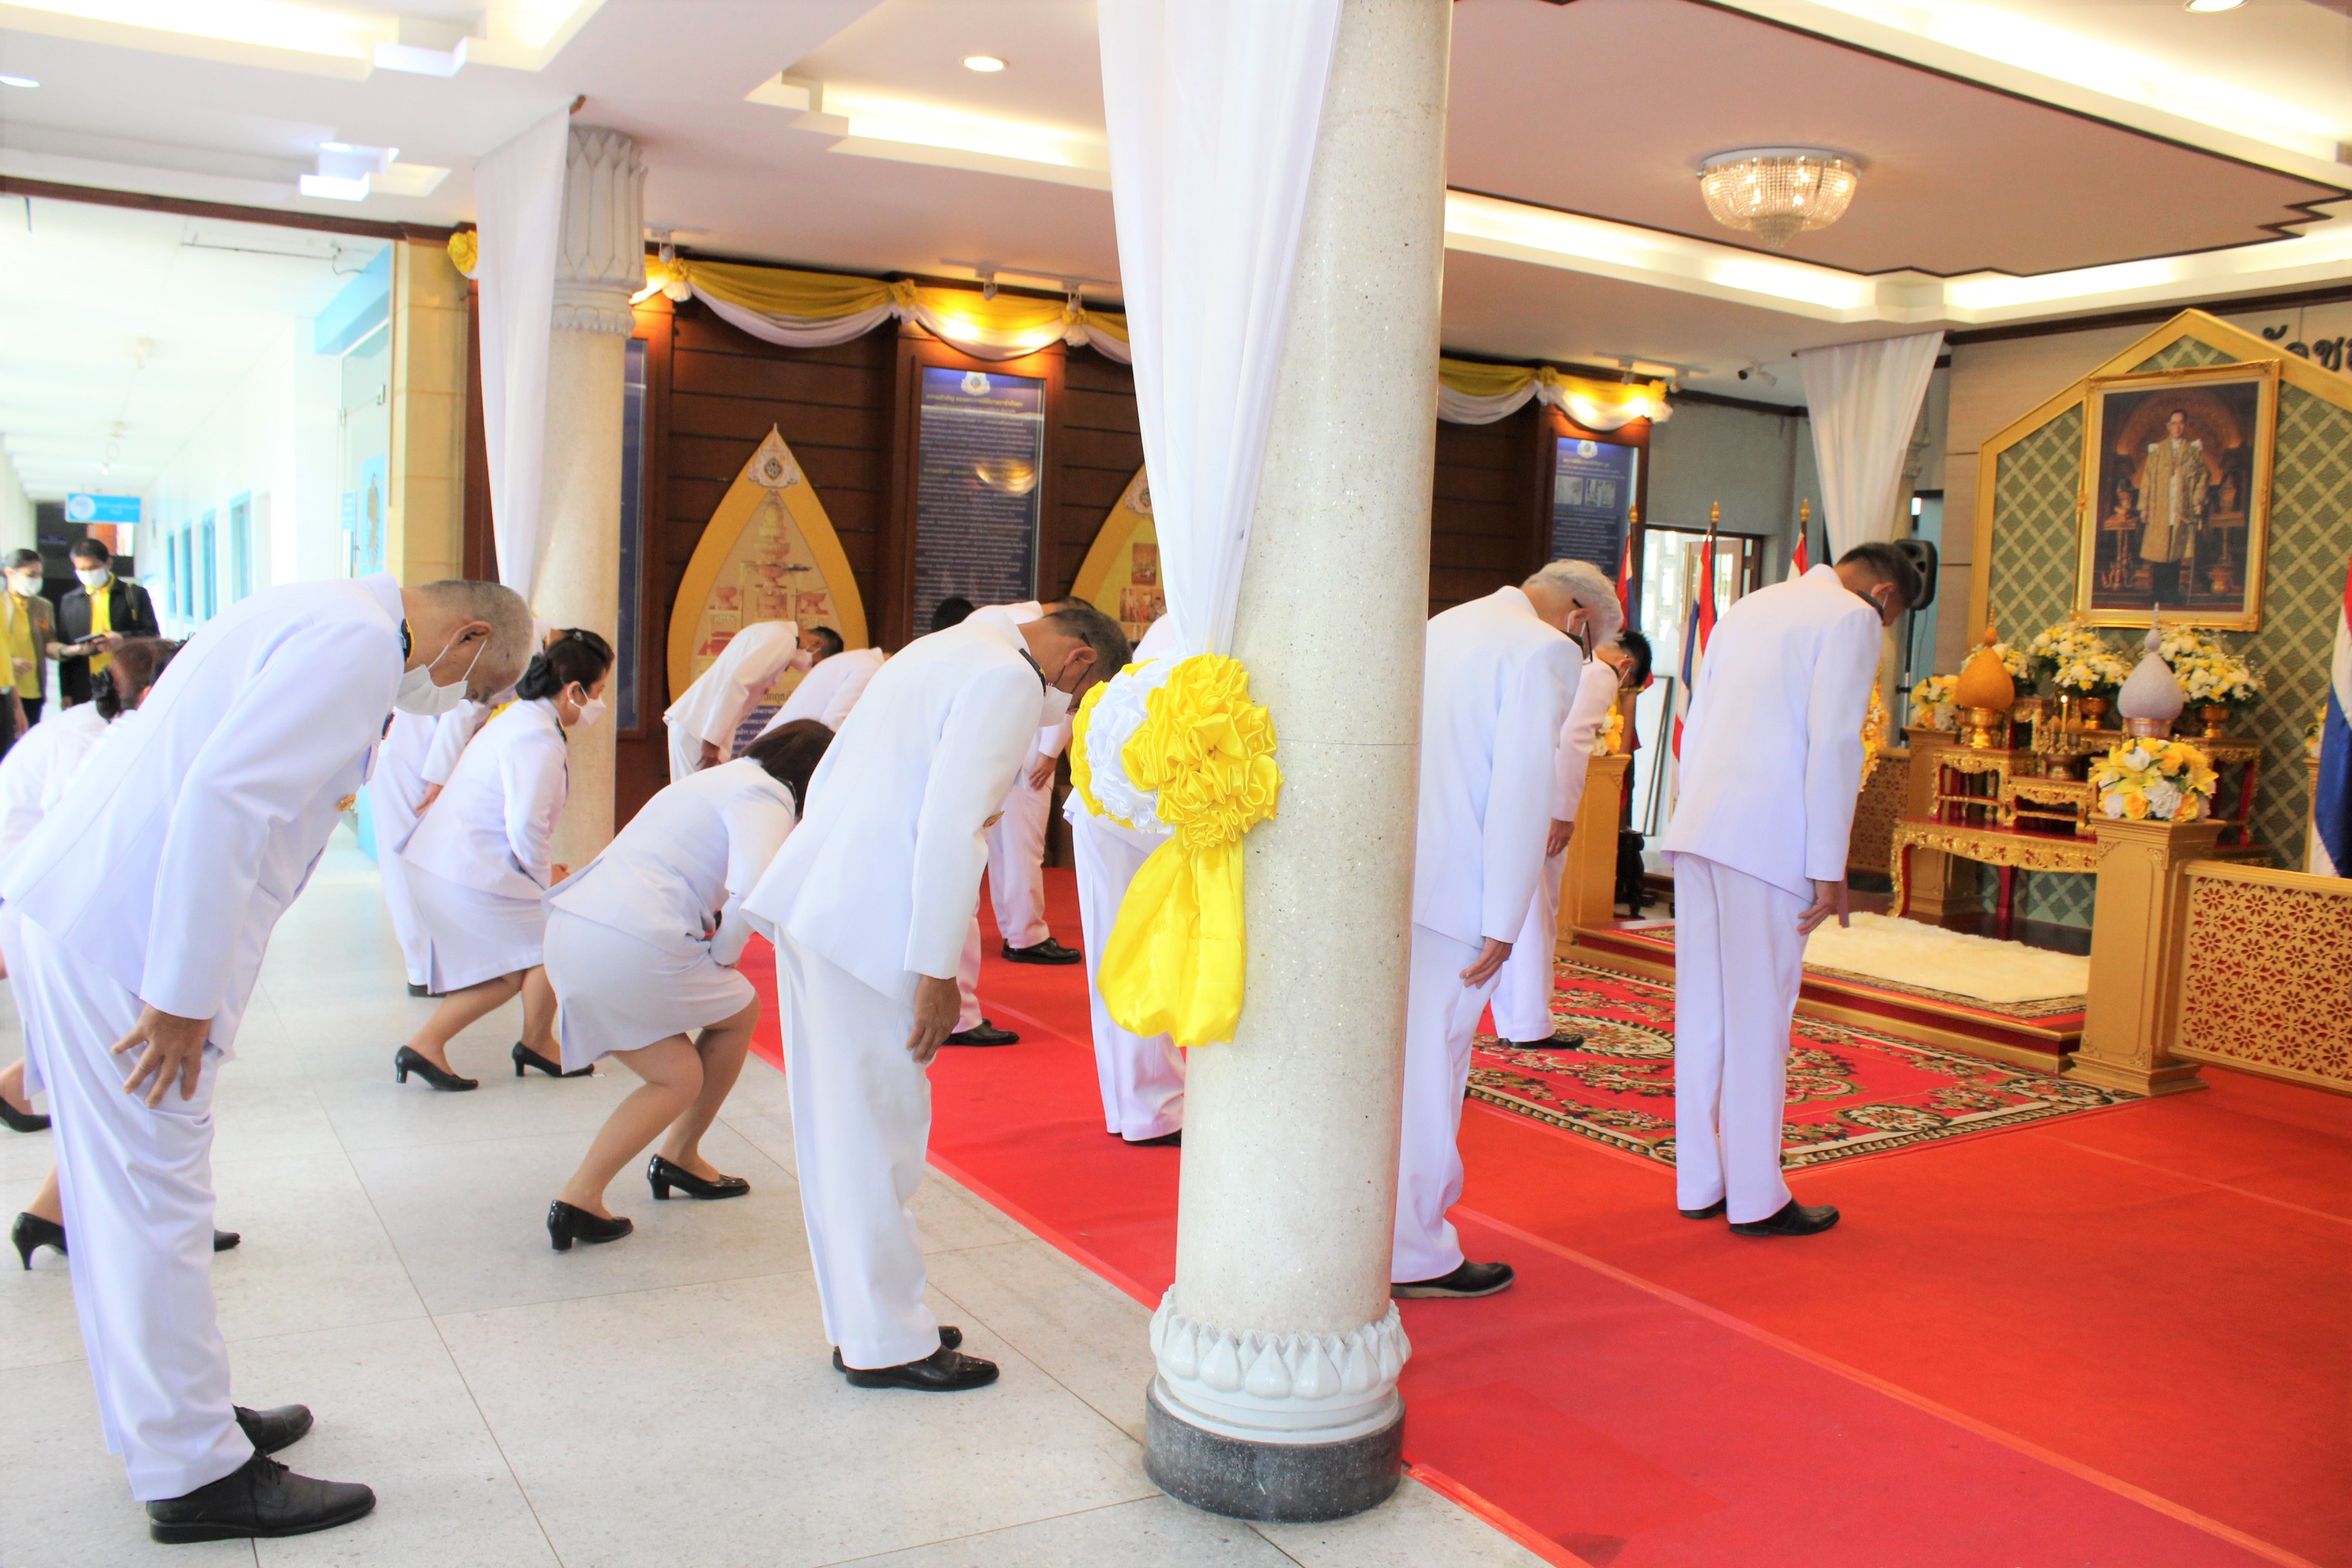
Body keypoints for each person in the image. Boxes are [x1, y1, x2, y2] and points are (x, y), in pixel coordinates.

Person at [0, 571, 531, 1541]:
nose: (462, 701)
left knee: (122, 1198)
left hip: (96, 914)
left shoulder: (323, 610)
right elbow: (227, 801)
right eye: (479, 682)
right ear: (462, 636)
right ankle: (195, 1472)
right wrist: (181, 994)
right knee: (156, 1202)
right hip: (132, 943)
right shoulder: (360, 646)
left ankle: (176, 1424)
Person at [746, 600, 1127, 1391]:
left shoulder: (946, 646)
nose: (1065, 709)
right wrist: (936, 972)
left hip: (824, 901)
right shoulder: (1008, 680)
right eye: (1079, 697)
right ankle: (888, 1340)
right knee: (877, 1139)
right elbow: (956, 828)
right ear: (1078, 663)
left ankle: (867, 1317)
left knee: (837, 1134)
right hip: (870, 924)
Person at [1660, 542, 1916, 1237]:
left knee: (1705, 1009)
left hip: (1703, 826)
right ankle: (1757, 1197)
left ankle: (1700, 1181)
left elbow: (1702, 715)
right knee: (1760, 1017)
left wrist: (1691, 810)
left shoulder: (1751, 604)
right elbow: (1836, 744)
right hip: (1769, 840)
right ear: (1886, 596)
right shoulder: (1850, 618)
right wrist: (1829, 864)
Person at [541, 720, 832, 1250]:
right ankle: (653, 1166)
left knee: (680, 1070)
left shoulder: (719, 779)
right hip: (626, 945)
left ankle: (634, 1175)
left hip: (572, 928)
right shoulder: (765, 794)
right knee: (730, 1019)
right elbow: (753, 891)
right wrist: (724, 955)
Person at [5, 640, 244, 1268]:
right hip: (56, 916)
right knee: (135, 1088)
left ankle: (49, 1214)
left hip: (60, 917)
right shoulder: (105, 741)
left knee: (111, 1089)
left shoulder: (122, 733)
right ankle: (155, 1223)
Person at [1391, 564, 1586, 1301]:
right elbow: (1521, 789)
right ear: (1577, 615)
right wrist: (1506, 916)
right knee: (1433, 1070)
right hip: (1458, 891)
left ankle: (1387, 1232)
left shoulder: (1445, 625)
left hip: (1403, 868)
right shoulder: (1541, 650)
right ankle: (1414, 1251)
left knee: (1401, 1061)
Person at [395, 629, 613, 1090]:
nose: (599, 704)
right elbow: (525, 827)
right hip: (461, 869)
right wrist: (546, 885)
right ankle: (435, 1044)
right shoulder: (535, 736)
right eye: (598, 693)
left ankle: (533, 1042)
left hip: (456, 863)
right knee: (525, 958)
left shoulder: (527, 722)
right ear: (573, 691)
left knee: (539, 950)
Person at [0, 637, 164, 1139]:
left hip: (40, 887)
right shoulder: (95, 738)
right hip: (30, 888)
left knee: (84, 1039)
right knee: (92, 1043)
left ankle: (12, 1088)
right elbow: (72, 825)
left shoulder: (109, 727)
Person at [1492, 588, 1648, 1050]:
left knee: (1513, 907)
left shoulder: (1542, 653)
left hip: (1505, 794)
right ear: (1625, 667)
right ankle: (1529, 1024)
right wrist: (1562, 813)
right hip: (1540, 804)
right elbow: (1574, 742)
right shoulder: (1596, 672)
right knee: (1536, 910)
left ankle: (1514, 1018)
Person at [1064, 614, 1186, 1146]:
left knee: (1116, 954)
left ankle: (1132, 1105)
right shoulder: (1197, 617)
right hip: (1136, 800)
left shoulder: (1174, 618)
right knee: (1132, 955)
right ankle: (1149, 1106)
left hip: (1122, 794)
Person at [664, 619, 815, 781]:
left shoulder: (771, 632)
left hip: (696, 724)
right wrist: (712, 741)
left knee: (695, 798)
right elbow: (738, 683)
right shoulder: (785, 640)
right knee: (696, 801)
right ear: (816, 642)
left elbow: (804, 662)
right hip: (701, 730)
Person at [367, 711, 440, 997]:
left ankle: (425, 967)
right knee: (403, 859)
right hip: (412, 744)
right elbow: (464, 712)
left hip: (411, 740)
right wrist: (441, 771)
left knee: (405, 858)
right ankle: (423, 967)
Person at [54, 538, 159, 709]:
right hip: (85, 686)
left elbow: (153, 634)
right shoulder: (70, 601)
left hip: (127, 681)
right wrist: (66, 693)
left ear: (108, 562)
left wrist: (123, 639)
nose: (87, 573)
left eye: (93, 568)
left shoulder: (133, 594)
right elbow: (66, 651)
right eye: (81, 569)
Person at [2135, 408, 2208, 604]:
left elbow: (2202, 477)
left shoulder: (2193, 450)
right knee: (2160, 549)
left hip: (2181, 507)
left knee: (2176, 548)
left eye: (2181, 423)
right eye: (2174, 423)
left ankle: (2172, 593)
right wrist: (2144, 507)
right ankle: (2158, 593)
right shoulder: (2158, 451)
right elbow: (2148, 479)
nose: (2178, 427)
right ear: (2168, 426)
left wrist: (2198, 500)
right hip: (2160, 506)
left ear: (2185, 426)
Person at [756, 629, 884, 737]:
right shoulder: (869, 668)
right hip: (787, 755)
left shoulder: (854, 659)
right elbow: (834, 725)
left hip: (776, 748)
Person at [5, 549, 56, 732]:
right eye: (30, 574)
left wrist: (69, 650)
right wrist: (7, 663)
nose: (36, 579)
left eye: (39, 574)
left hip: (34, 691)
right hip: (5, 691)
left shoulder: (43, 606)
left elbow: (49, 642)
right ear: (10, 573)